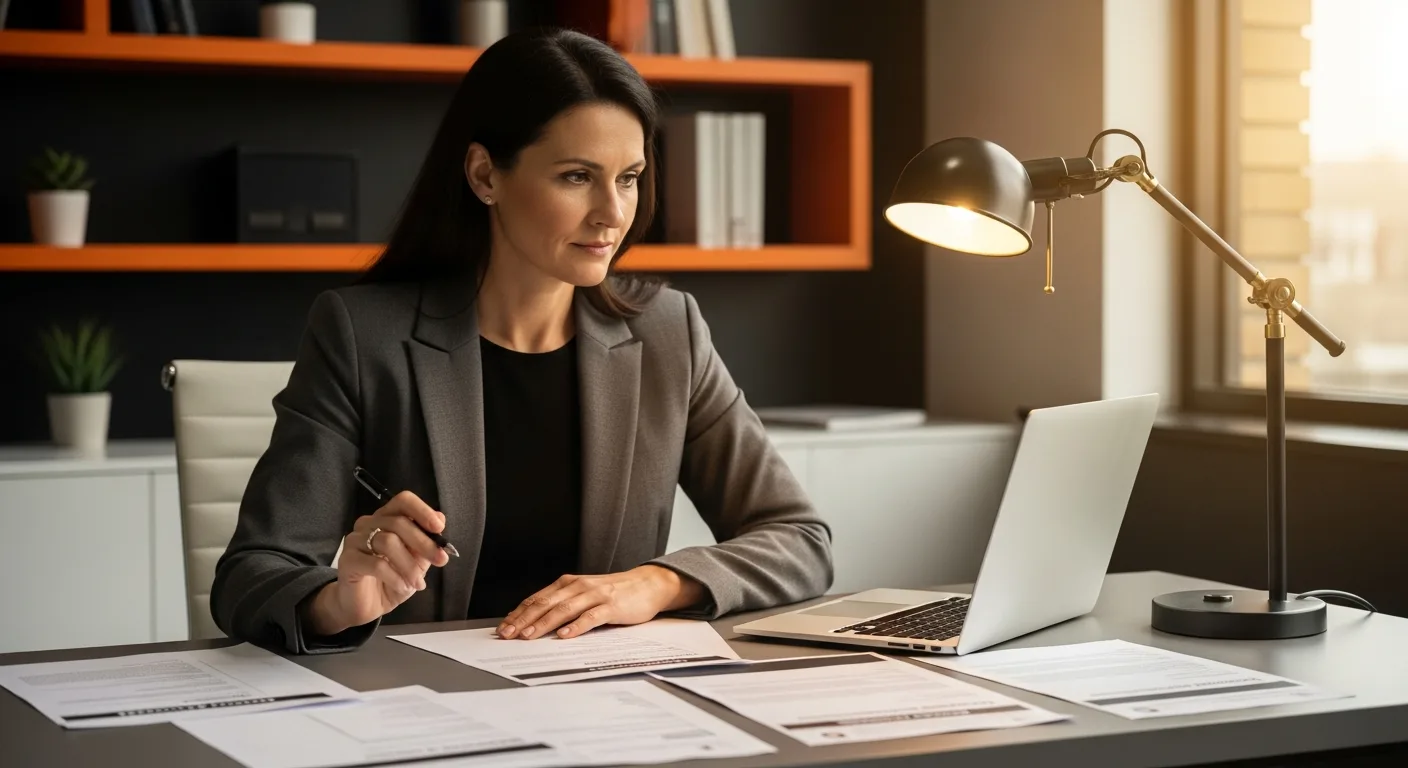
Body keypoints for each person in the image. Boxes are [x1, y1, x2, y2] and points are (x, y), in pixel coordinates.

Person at [210, 27, 834, 654]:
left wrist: (654, 583)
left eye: (629, 177)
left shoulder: (669, 331)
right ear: (485, 175)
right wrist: (335, 602)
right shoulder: (362, 334)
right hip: (425, 708)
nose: (613, 213)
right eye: (576, 176)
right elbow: (251, 576)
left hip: (608, 703)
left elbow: (798, 539)